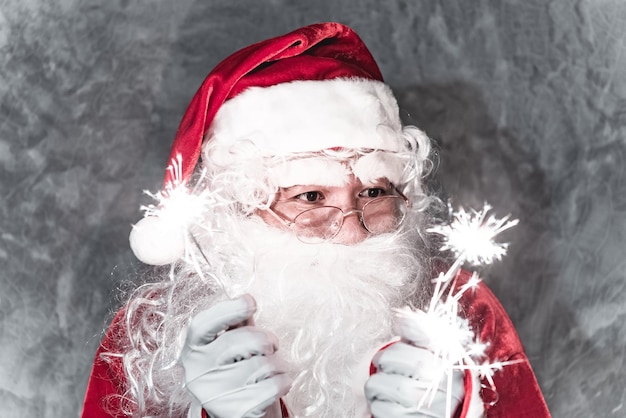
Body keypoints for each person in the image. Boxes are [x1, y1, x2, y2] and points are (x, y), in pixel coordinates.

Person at [81, 22, 550, 418]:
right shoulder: (147, 333)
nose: (350, 230)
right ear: (239, 208)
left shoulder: (463, 308)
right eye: (310, 195)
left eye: (373, 192)